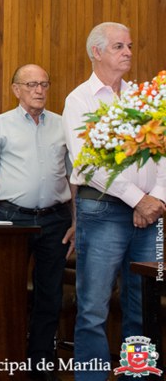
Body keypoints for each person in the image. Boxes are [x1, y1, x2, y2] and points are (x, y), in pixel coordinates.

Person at [62, 22, 165, 381]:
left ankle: (138, 376)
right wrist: (138, 199)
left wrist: (156, 199)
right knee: (93, 309)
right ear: (96, 52)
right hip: (102, 211)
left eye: (130, 46)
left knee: (143, 307)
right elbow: (88, 164)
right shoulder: (79, 100)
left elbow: (162, 151)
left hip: (150, 216)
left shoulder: (142, 97)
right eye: (119, 46)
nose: (128, 53)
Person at [0, 64, 74, 381]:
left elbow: (73, 177)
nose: (39, 90)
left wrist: (77, 222)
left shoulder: (62, 125)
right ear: (16, 89)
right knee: (8, 294)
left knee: (50, 296)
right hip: (12, 220)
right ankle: (6, 362)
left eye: (44, 84)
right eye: (31, 84)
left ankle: (40, 366)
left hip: (56, 220)